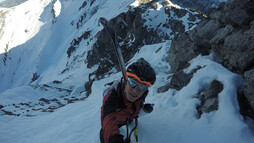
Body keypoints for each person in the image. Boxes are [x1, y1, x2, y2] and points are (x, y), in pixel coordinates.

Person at [100, 58, 156, 143]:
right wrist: (114, 139)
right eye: (133, 82)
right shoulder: (113, 95)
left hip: (129, 119)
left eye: (142, 86)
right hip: (116, 122)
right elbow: (107, 116)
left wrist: (144, 110)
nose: (135, 91)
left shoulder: (143, 93)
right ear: (126, 80)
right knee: (104, 134)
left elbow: (136, 110)